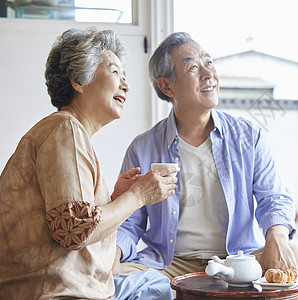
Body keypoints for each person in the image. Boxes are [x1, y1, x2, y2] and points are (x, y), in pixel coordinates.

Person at [115, 32, 298, 279]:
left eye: (208, 63)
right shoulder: (143, 148)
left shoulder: (248, 137)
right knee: (110, 277)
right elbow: (130, 222)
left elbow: (273, 197)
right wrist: (113, 253)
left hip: (238, 260)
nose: (208, 74)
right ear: (167, 86)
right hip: (169, 265)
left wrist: (277, 236)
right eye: (193, 67)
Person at [0, 28, 179, 299]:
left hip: (58, 287)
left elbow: (73, 218)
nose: (126, 85)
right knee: (163, 287)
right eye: (115, 72)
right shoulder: (66, 128)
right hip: (55, 292)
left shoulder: (65, 131)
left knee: (156, 283)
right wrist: (137, 196)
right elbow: (74, 229)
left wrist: (114, 198)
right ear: (78, 80)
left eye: (125, 75)